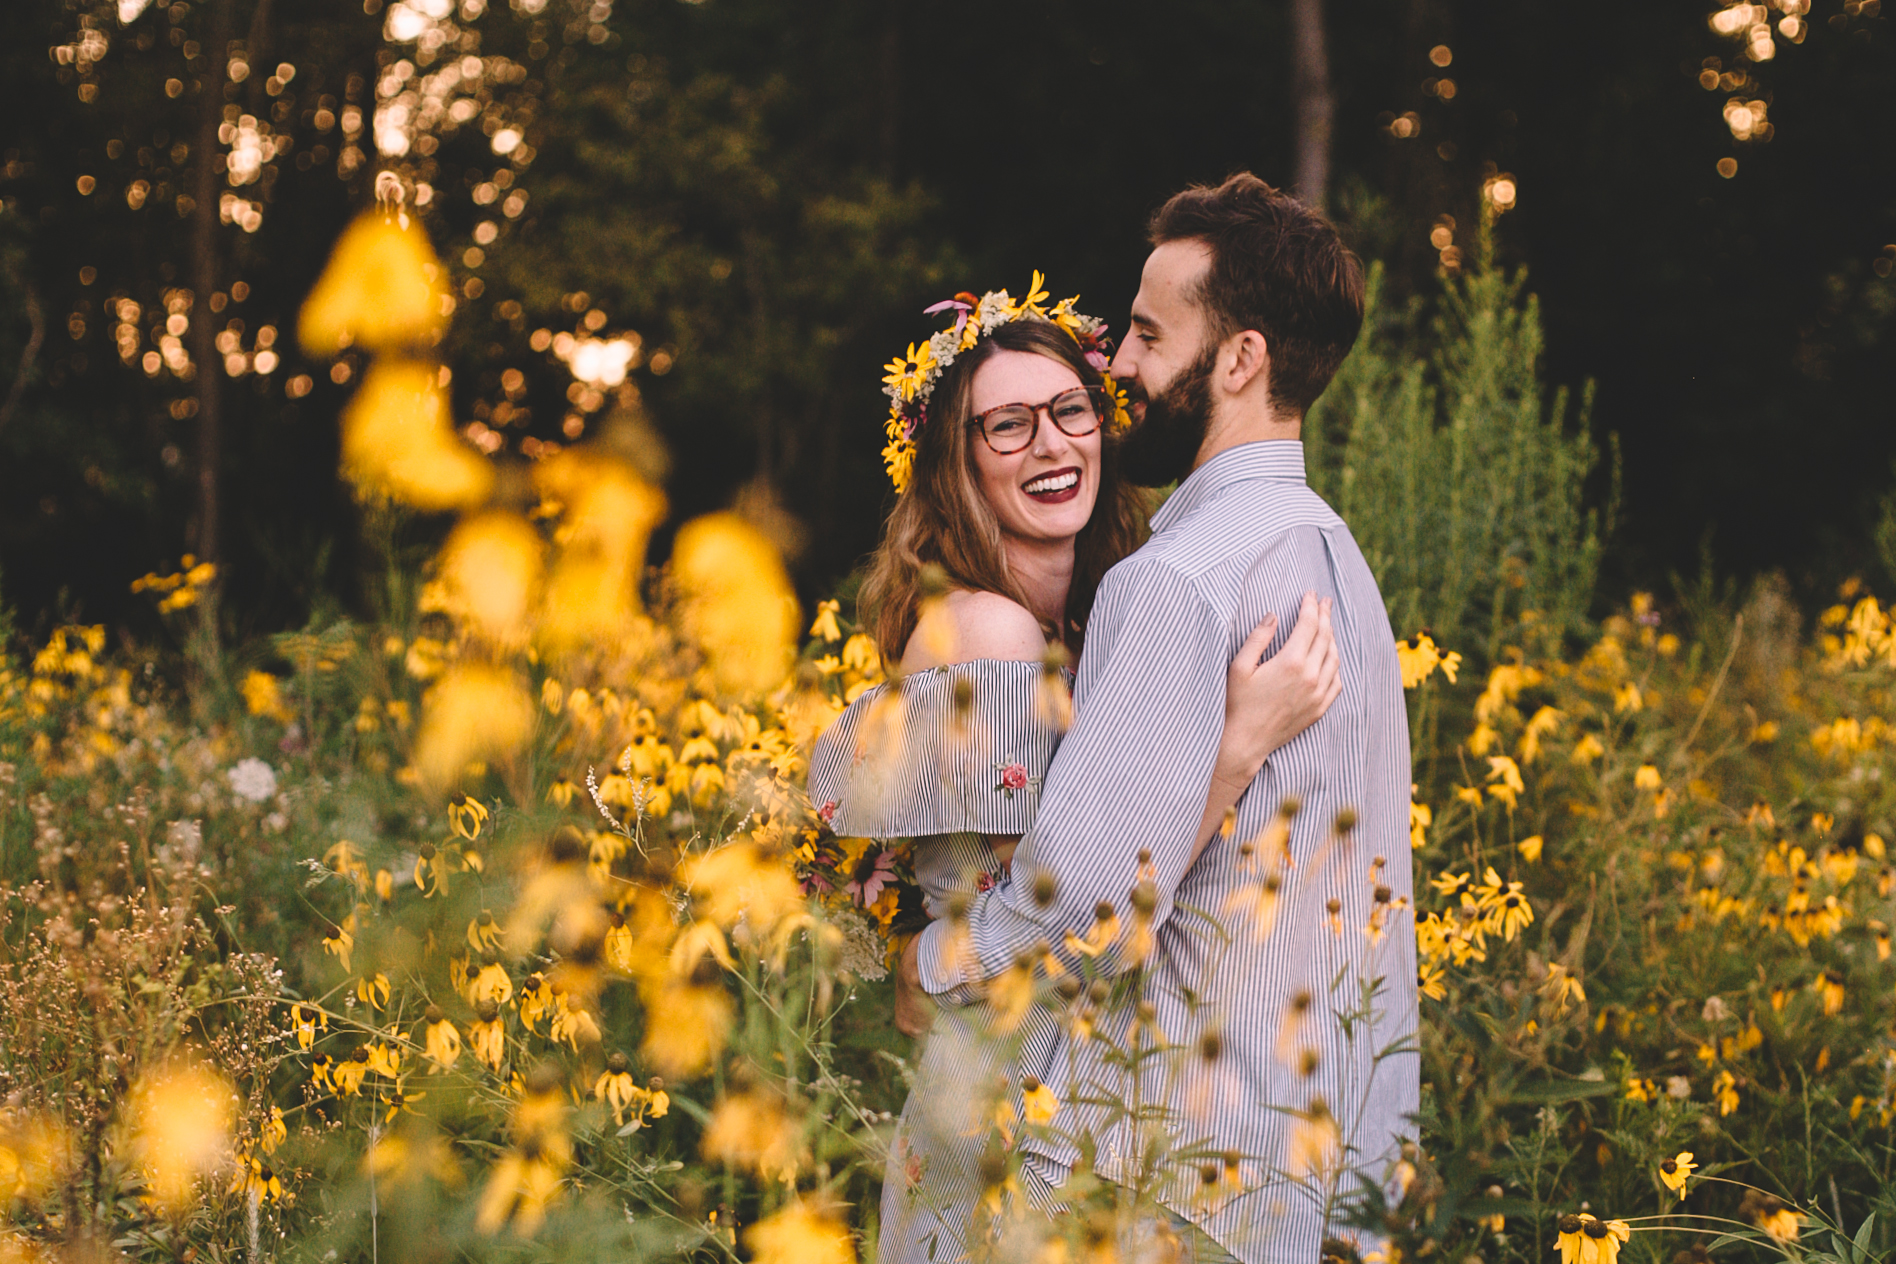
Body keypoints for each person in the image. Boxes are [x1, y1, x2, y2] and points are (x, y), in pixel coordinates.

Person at [897, 173, 1417, 1264]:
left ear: (1241, 359)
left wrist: (936, 966)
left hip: (1166, 1186)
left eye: (1144, 332)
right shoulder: (1338, 566)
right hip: (1306, 1186)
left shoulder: (1177, 581)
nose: (1119, 365)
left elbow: (1082, 902)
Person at [808, 286, 1342, 1264]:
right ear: (957, 462)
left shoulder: (1082, 620)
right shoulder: (990, 630)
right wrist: (1238, 744)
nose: (1052, 444)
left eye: (1070, 410)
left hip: (1054, 1077)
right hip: (1006, 1096)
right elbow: (1071, 911)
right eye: (1008, 424)